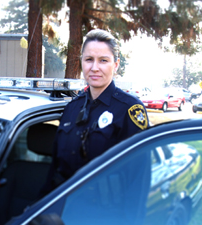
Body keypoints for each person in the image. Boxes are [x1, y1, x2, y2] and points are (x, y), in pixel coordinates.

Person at [45, 29, 150, 190]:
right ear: (81, 62)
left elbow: (138, 179)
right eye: (89, 59)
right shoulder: (72, 108)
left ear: (115, 65)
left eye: (103, 60)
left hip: (105, 212)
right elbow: (55, 169)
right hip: (64, 208)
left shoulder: (129, 110)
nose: (94, 67)